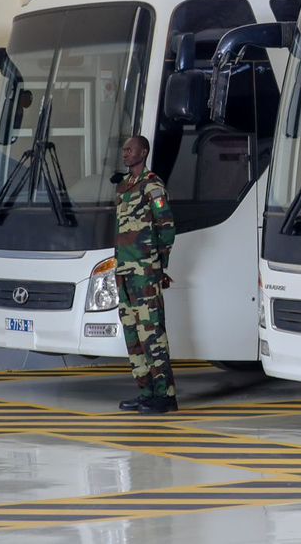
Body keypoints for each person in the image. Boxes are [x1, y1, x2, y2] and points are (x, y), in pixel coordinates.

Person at [114, 135, 178, 414]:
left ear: (144, 151)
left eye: (130, 149)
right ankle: (146, 393)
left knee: (152, 334)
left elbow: (166, 228)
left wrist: (158, 266)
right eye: (124, 150)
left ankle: (165, 397)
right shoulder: (125, 186)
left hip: (144, 272)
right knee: (133, 335)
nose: (126, 153)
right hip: (125, 272)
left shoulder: (152, 185)